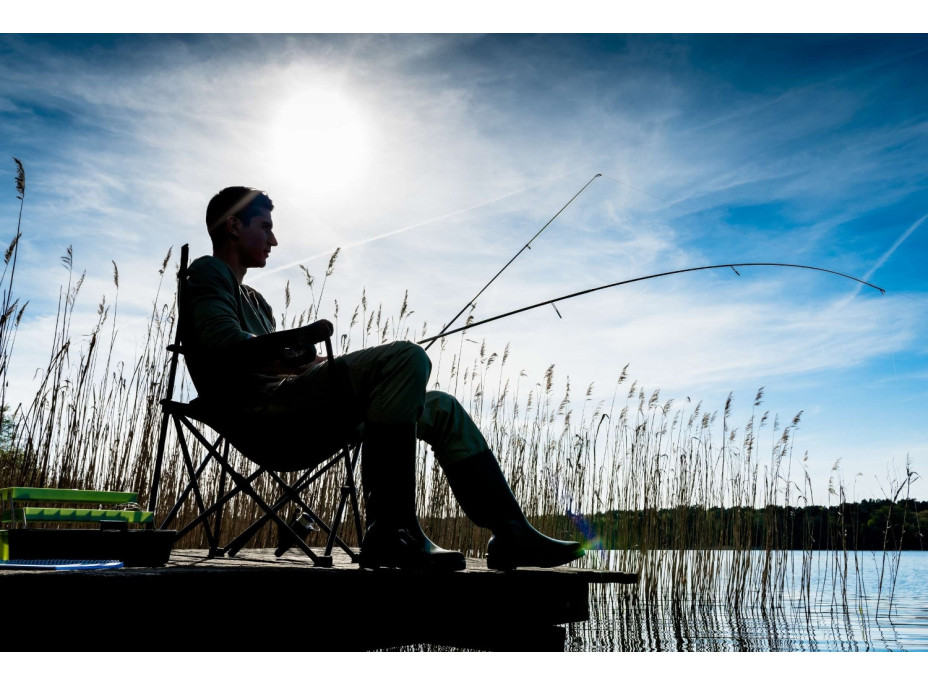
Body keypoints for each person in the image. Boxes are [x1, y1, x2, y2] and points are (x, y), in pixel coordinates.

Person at [179, 186, 584, 572]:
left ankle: (512, 533)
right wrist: (296, 342)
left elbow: (277, 359)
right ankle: (391, 531)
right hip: (262, 416)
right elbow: (223, 346)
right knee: (405, 357)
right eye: (265, 226)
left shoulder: (256, 301)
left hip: (296, 408)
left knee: (442, 408)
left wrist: (308, 359)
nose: (274, 239)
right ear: (233, 226)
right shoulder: (208, 272)